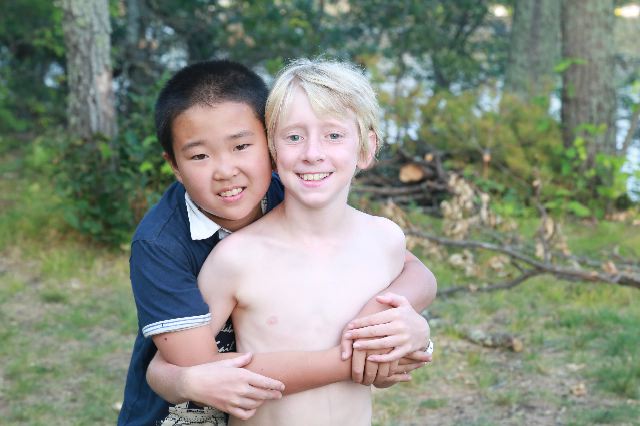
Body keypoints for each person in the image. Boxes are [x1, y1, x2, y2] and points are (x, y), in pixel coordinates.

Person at [118, 59, 436, 426]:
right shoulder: (172, 246)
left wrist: (406, 330)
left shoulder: (323, 205)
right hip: (176, 415)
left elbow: (414, 272)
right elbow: (187, 369)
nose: (312, 153)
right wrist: (358, 357)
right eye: (294, 137)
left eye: (240, 146)